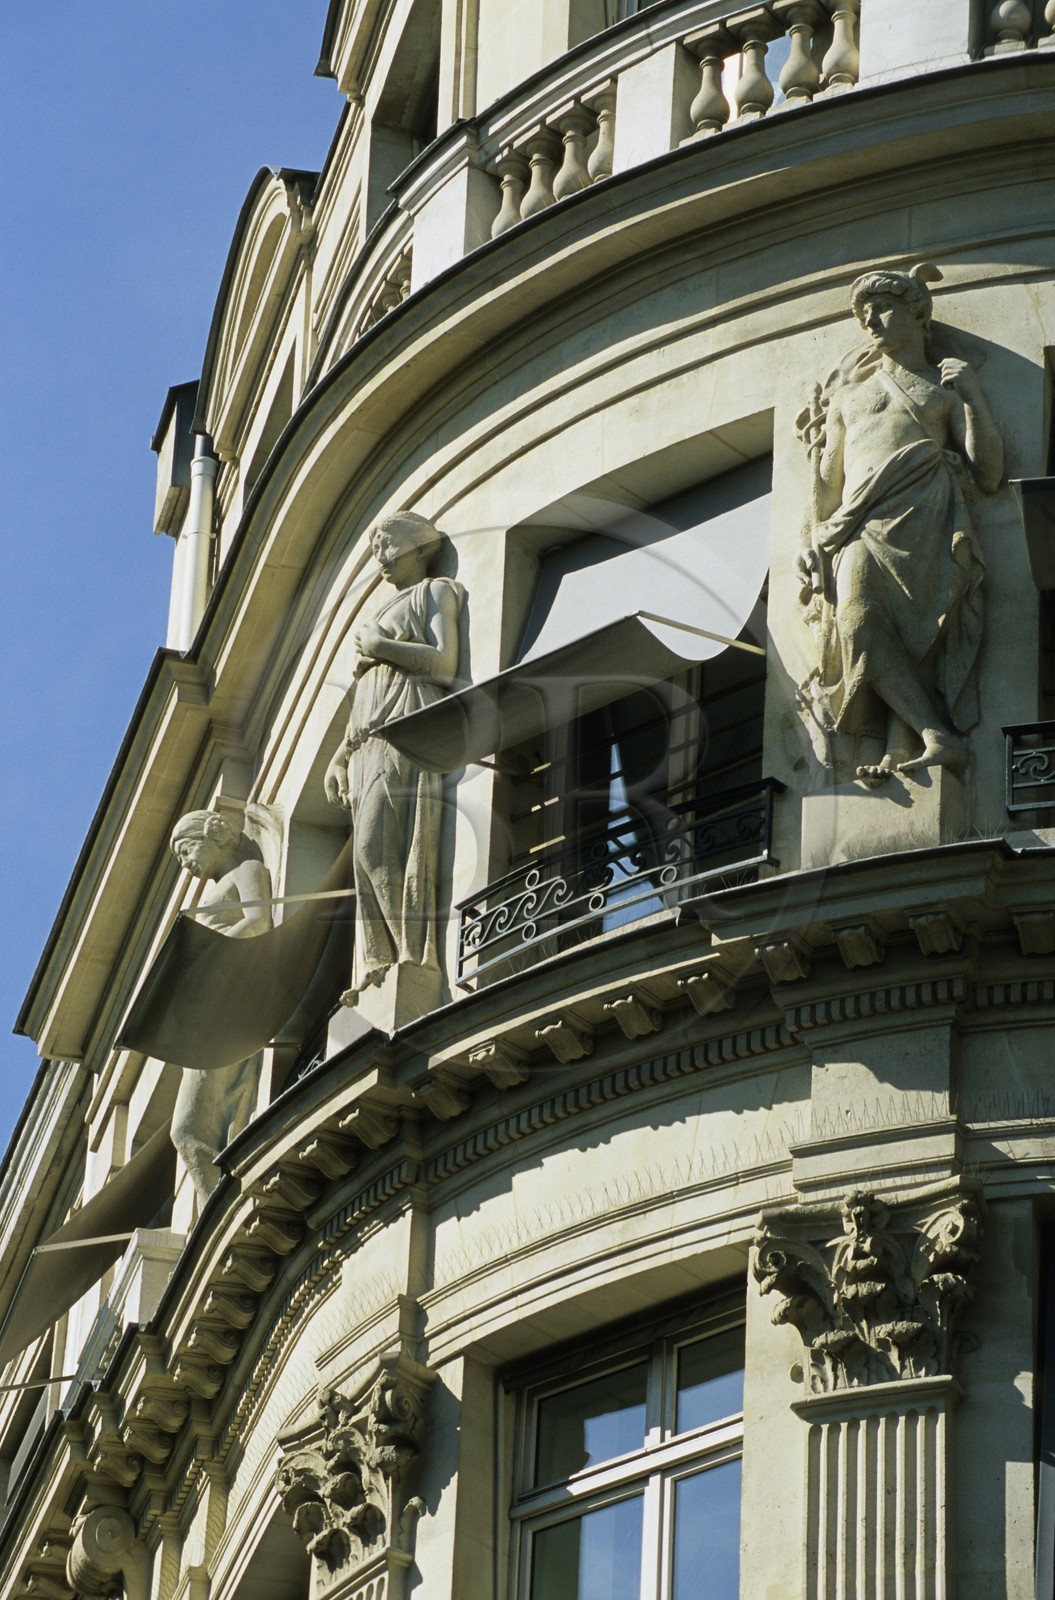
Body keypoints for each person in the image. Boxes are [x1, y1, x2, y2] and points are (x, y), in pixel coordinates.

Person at [796, 262, 1003, 784]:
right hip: (858, 525)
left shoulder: (941, 388)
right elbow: (828, 482)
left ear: (918, 315)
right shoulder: (847, 397)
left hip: (924, 512)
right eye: (864, 314)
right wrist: (809, 536)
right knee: (857, 620)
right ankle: (938, 734)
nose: (870, 321)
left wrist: (973, 397)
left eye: (882, 309)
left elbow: (988, 473)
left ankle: (900, 744)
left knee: (920, 633)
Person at [324, 512, 466, 1002]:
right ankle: (379, 961)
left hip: (404, 726)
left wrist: (381, 646)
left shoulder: (435, 592)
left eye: (388, 545)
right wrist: (340, 755)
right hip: (368, 739)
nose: (380, 558)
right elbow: (365, 694)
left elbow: (444, 664)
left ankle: (409, 955)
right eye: (375, 550)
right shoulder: (385, 610)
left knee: (374, 846)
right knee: (366, 860)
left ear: (417, 545)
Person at [168, 810, 272, 1201]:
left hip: (227, 999)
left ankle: (221, 1205)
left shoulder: (247, 871)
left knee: (186, 1128)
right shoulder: (213, 890)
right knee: (189, 1128)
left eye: (186, 850)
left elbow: (259, 921)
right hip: (208, 1008)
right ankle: (222, 1200)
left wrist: (212, 959)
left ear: (212, 834)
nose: (185, 863)